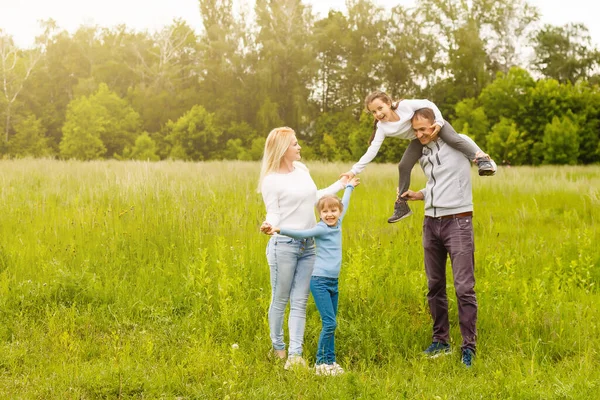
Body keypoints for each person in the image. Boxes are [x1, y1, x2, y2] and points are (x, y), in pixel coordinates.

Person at [401, 108, 496, 367]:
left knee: (464, 287)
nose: (420, 134)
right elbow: (436, 185)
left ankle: (469, 347)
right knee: (434, 286)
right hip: (431, 223)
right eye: (416, 130)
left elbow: (489, 164)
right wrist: (419, 194)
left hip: (458, 222)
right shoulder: (423, 151)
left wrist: (483, 162)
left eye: (425, 129)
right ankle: (440, 341)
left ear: (437, 125)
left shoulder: (459, 140)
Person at [258, 126, 348, 370]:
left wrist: (340, 185)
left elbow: (314, 197)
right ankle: (278, 348)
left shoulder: (301, 169)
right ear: (282, 148)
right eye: (295, 144)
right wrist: (270, 225)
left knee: (300, 301)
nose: (299, 147)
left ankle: (295, 355)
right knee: (280, 299)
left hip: (308, 246)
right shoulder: (271, 180)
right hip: (283, 246)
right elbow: (274, 212)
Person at [340, 90, 495, 224]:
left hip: (434, 125)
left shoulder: (405, 106)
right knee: (403, 165)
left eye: (380, 108)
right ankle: (401, 205)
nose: (378, 114)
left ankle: (482, 160)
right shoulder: (382, 127)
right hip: (418, 138)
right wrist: (353, 172)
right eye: (374, 112)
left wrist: (439, 122)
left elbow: (429, 104)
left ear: (388, 102)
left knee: (454, 140)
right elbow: (372, 151)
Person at [264, 177, 359, 376]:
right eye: (325, 211)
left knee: (332, 322)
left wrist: (349, 186)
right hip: (320, 281)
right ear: (320, 214)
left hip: (333, 282)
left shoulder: (339, 223)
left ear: (339, 212)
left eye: (333, 211)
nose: (329, 214)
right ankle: (320, 363)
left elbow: (346, 201)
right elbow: (301, 234)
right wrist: (278, 229)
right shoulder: (320, 229)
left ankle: (330, 362)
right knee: (330, 322)